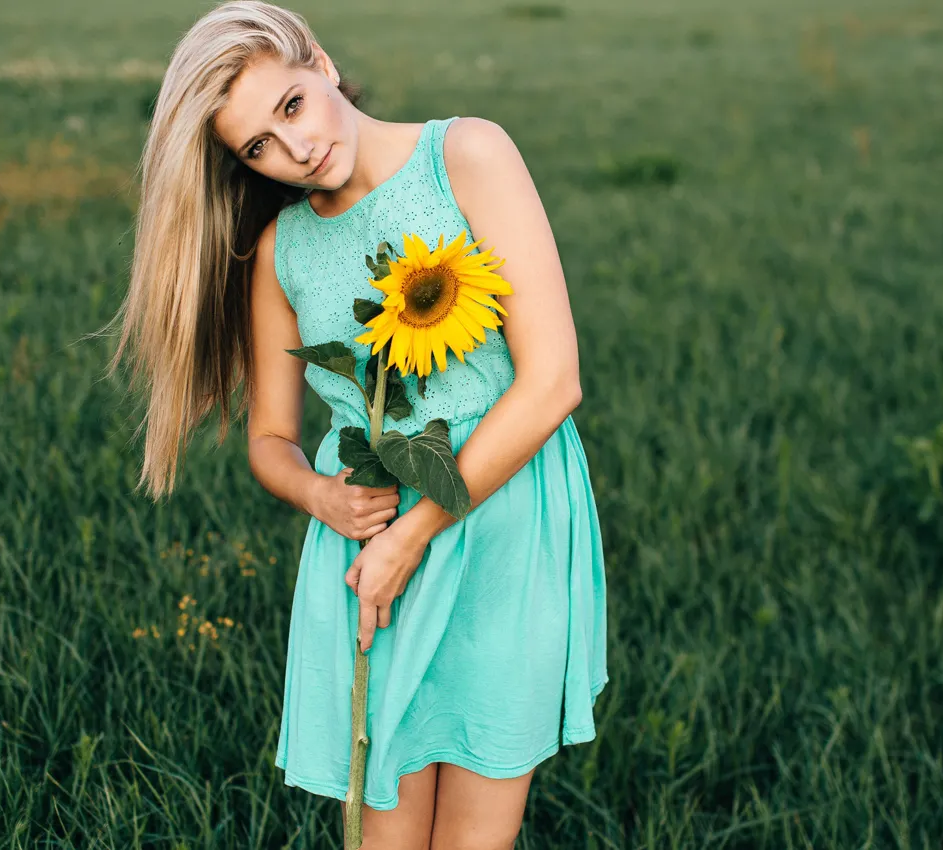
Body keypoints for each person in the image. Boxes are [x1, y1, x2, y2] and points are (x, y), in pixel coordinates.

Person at [105, 2, 608, 846]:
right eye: (258, 146)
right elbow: (271, 438)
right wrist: (319, 497)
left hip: (501, 523)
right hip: (369, 553)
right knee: (384, 832)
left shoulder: (466, 155)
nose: (294, 149)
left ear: (324, 63)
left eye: (292, 105)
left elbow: (553, 381)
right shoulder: (284, 251)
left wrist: (412, 538)